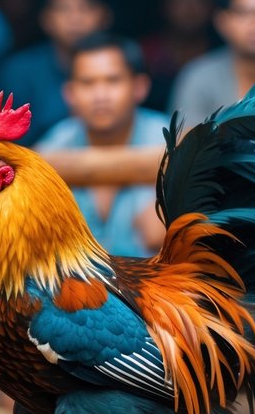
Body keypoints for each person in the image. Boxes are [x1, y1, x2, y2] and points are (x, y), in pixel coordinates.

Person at [35, 32, 166, 256]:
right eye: (87, 83)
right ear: (70, 93)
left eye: (112, 81)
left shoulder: (169, 141)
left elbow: (159, 236)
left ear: (140, 87)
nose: (100, 95)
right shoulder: (54, 146)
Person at [0, 0, 115, 143]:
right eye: (63, 9)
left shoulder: (120, 64)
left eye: (85, 8)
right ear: (45, 19)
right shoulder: (19, 72)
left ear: (106, 17)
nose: (75, 18)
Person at [140, 0, 214, 112]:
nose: (190, 8)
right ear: (165, 4)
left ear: (211, 7)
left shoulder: (221, 54)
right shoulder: (147, 52)